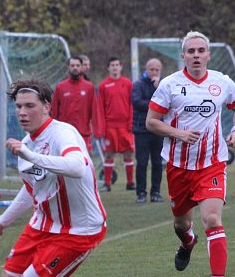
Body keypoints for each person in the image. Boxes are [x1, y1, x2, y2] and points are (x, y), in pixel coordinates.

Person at [0, 78, 107, 277]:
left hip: (78, 229)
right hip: (43, 224)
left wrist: (29, 153)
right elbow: (32, 190)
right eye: (18, 106)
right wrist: (2, 220)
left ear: (47, 107)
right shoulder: (26, 145)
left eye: (29, 105)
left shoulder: (63, 134)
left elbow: (76, 166)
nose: (22, 112)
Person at [146, 31, 235, 277]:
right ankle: (187, 242)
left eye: (201, 50)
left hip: (212, 164)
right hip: (179, 167)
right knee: (181, 223)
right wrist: (177, 133)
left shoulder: (221, 82)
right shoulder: (169, 85)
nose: (196, 55)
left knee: (213, 220)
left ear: (208, 54)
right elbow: (151, 121)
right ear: (183, 56)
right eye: (190, 51)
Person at [50, 56, 103, 152]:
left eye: (78, 65)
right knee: (66, 161)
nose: (75, 68)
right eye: (72, 65)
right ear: (68, 67)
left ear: (81, 67)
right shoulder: (60, 87)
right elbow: (54, 111)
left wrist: (97, 131)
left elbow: (94, 110)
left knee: (85, 162)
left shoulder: (89, 86)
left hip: (83, 133)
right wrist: (52, 130)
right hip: (64, 133)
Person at [98, 56, 135, 192]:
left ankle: (130, 183)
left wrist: (131, 122)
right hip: (110, 126)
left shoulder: (128, 83)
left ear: (121, 67)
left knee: (128, 154)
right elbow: (100, 107)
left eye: (117, 65)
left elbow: (132, 104)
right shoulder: (103, 85)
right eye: (112, 65)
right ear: (108, 68)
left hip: (125, 126)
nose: (114, 67)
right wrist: (102, 127)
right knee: (109, 155)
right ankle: (107, 184)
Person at [132, 58, 164, 203]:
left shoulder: (163, 85)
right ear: (146, 69)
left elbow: (167, 103)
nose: (154, 72)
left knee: (158, 162)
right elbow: (137, 102)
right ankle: (141, 193)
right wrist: (155, 103)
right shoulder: (138, 84)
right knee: (142, 162)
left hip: (158, 129)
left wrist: (158, 89)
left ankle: (156, 192)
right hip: (141, 129)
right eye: (152, 69)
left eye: (157, 70)